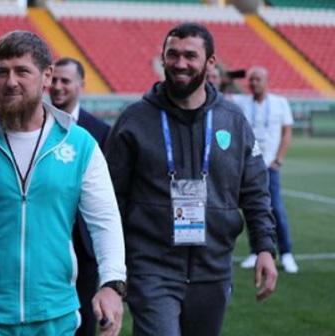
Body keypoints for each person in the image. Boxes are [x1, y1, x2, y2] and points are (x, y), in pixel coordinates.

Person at [0, 30, 126, 336]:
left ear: (46, 76)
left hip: (55, 310)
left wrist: (111, 284)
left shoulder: (80, 144)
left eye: (22, 71)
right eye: (2, 72)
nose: (10, 81)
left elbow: (105, 220)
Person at [104, 22, 278, 336]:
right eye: (172, 54)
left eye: (190, 55)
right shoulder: (133, 121)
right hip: (151, 268)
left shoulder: (233, 121)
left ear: (211, 62)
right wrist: (113, 269)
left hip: (213, 268)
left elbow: (255, 190)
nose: (180, 63)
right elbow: (110, 200)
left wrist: (264, 247)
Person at [49, 56, 111, 336]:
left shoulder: (100, 131)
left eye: (66, 81)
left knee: (84, 323)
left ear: (81, 85)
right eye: (54, 80)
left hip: (84, 246)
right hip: (47, 240)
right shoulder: (35, 126)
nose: (58, 86)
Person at [233, 66, 299, 273]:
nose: (254, 83)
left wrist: (279, 159)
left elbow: (287, 132)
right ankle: (256, 251)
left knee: (276, 209)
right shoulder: (242, 103)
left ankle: (286, 253)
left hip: (270, 166)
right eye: (251, 79)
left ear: (266, 80)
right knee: (251, 209)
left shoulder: (280, 103)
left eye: (258, 79)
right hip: (249, 167)